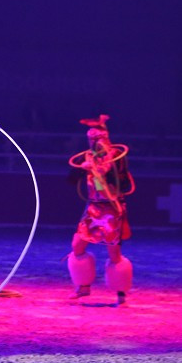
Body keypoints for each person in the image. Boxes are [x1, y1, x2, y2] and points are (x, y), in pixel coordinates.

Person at [67, 114, 136, 305]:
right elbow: (71, 180)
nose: (94, 142)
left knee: (114, 252)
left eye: (98, 138)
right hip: (93, 208)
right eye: (91, 138)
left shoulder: (117, 158)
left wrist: (103, 170)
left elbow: (121, 182)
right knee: (77, 245)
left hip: (111, 208)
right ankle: (83, 286)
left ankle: (120, 291)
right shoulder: (87, 157)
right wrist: (83, 168)